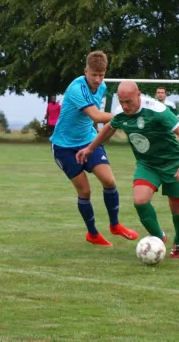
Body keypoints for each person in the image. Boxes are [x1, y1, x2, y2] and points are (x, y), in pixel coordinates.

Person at [77, 81, 179, 258]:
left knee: (178, 209)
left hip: (172, 164)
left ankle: (178, 241)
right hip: (147, 165)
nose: (124, 106)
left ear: (139, 94)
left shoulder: (157, 110)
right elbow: (109, 128)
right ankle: (159, 238)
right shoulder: (121, 113)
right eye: (121, 101)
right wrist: (90, 148)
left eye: (128, 101)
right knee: (140, 200)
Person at [50, 51, 138, 247]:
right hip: (64, 147)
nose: (98, 80)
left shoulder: (103, 87)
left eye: (102, 74)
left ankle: (115, 225)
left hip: (87, 140)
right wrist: (127, 115)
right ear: (86, 71)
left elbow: (95, 121)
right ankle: (93, 234)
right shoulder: (76, 88)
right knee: (85, 192)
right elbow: (96, 115)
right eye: (94, 75)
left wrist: (97, 141)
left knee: (109, 180)